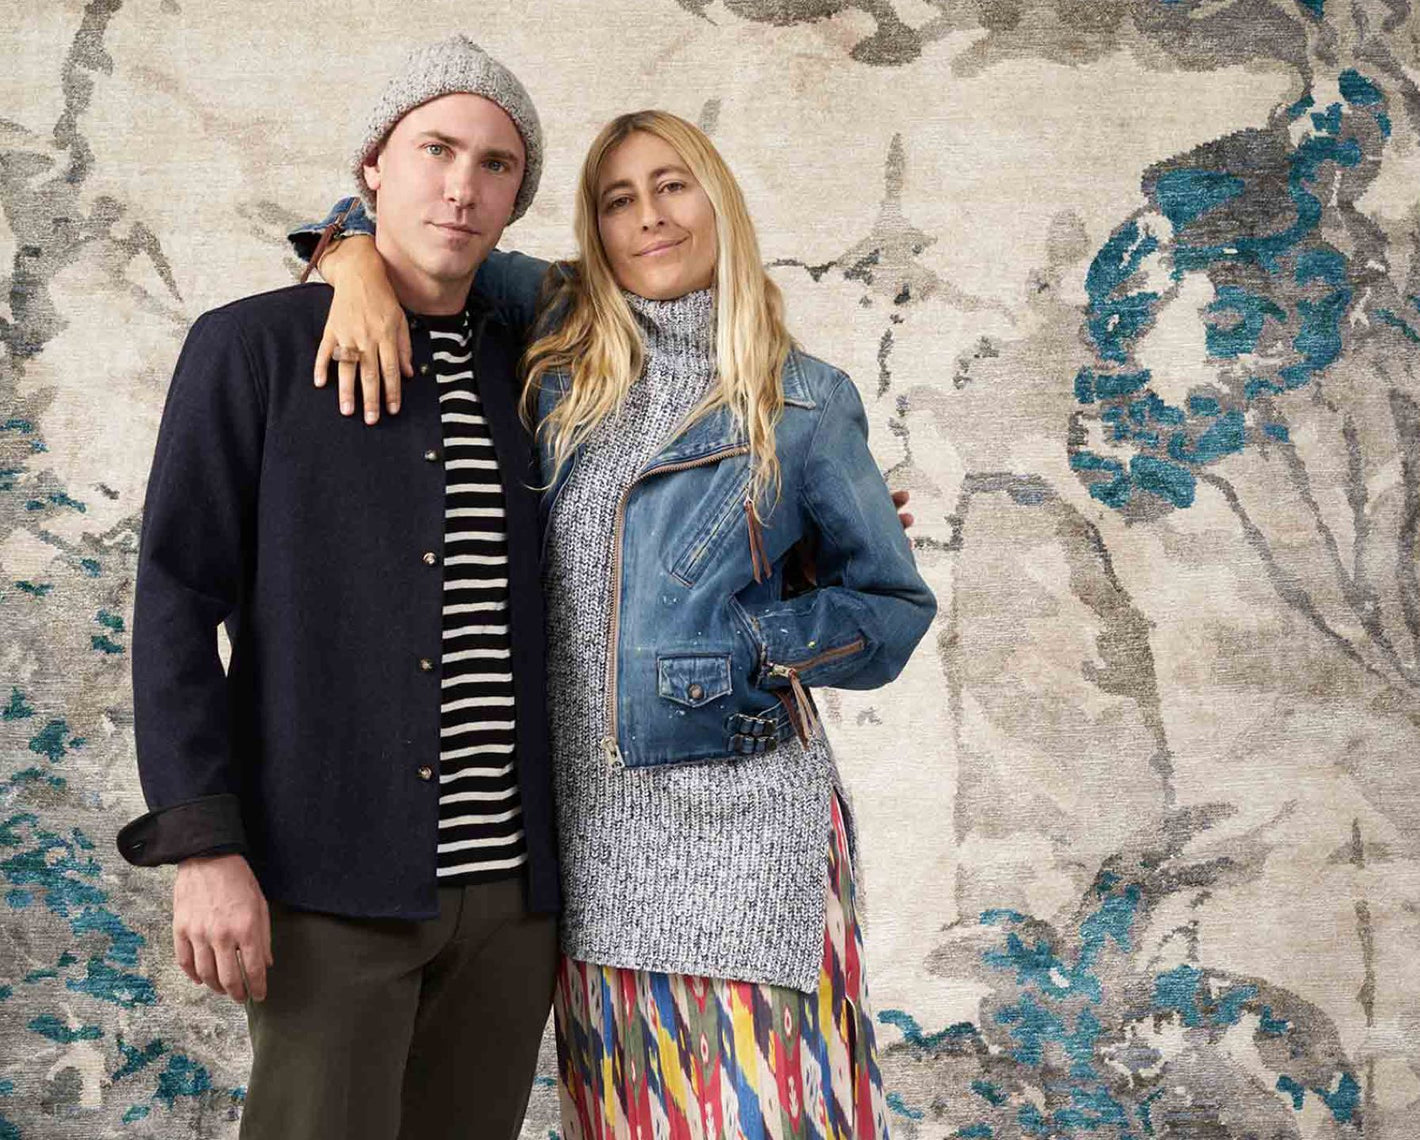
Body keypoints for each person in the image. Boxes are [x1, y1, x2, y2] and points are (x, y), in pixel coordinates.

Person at [292, 108, 936, 1136]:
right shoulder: (557, 329)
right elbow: (404, 229)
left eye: (673, 185)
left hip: (747, 839)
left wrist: (754, 638)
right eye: (618, 199)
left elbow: (894, 610)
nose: (650, 217)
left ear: (717, 198)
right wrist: (356, 264)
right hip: (589, 846)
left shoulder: (805, 400)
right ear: (594, 229)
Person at [116, 37, 563, 1140]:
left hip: (514, 901)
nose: (460, 186)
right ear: (372, 168)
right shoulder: (250, 349)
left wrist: (790, 522)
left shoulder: (552, 367)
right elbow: (176, 599)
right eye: (435, 149)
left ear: (516, 202)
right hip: (328, 884)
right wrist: (203, 849)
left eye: (495, 165)